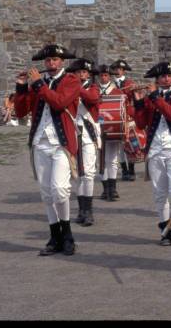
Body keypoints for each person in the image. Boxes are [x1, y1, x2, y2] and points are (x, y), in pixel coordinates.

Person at [14, 44, 79, 256]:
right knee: (46, 193)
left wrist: (39, 84)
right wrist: (22, 87)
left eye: (55, 60)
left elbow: (59, 103)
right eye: (48, 61)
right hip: (40, 142)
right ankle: (55, 236)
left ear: (62, 62)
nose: (51, 64)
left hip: (61, 144)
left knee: (60, 190)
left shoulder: (71, 80)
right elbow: (21, 111)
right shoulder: (37, 84)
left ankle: (67, 233)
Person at [133, 62, 171, 247]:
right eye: (163, 76)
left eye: (169, 75)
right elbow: (141, 124)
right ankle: (165, 230)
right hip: (155, 148)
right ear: (157, 79)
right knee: (160, 193)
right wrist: (139, 102)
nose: (166, 78)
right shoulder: (151, 97)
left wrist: (155, 96)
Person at [66, 58, 102, 226]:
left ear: (88, 74)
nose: (81, 75)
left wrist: (76, 87)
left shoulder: (93, 87)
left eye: (84, 72)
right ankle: (81, 210)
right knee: (77, 174)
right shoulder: (69, 89)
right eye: (78, 72)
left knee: (88, 173)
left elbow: (93, 99)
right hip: (72, 134)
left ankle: (88, 211)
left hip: (88, 134)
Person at [97, 64, 125, 202]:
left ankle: (113, 189)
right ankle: (105, 189)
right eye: (101, 75)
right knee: (101, 160)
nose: (104, 77)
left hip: (112, 130)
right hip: (96, 130)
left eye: (106, 75)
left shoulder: (117, 92)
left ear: (110, 76)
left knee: (112, 160)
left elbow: (123, 111)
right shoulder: (93, 90)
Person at [110, 59, 137, 181]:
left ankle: (132, 169)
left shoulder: (130, 82)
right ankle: (124, 170)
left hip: (128, 116)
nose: (117, 72)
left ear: (123, 71)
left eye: (119, 70)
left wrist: (133, 90)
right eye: (115, 70)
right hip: (117, 117)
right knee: (120, 145)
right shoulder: (110, 85)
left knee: (131, 143)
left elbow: (134, 98)